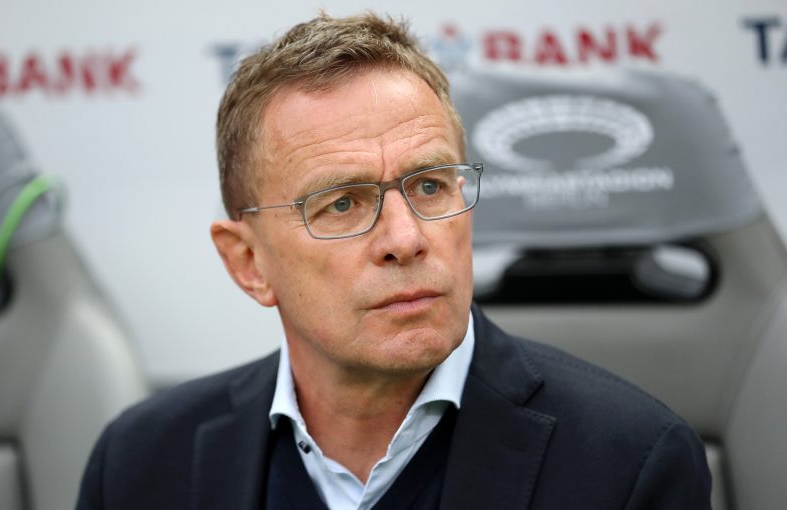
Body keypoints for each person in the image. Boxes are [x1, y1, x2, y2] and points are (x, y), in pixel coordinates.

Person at [76, 12, 712, 510]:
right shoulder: (139, 463)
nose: (406, 239)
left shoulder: (630, 462)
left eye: (430, 185)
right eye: (342, 204)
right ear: (249, 263)